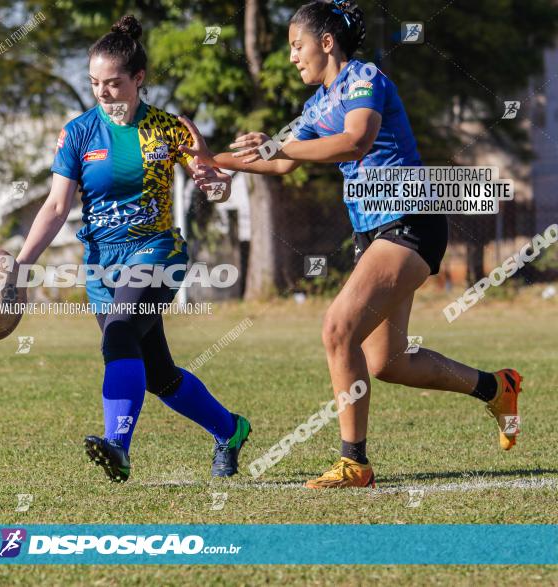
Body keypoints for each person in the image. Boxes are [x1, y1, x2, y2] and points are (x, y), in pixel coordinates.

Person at [178, 0, 523, 488]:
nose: (293, 57)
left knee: (338, 327)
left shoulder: (364, 79)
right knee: (388, 362)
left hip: (410, 219)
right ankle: (496, 386)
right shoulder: (317, 104)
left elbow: (356, 140)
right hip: (373, 233)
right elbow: (280, 163)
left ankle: (354, 462)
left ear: (326, 42)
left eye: (297, 46)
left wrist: (277, 146)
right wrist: (217, 161)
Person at [16, 14, 251, 483]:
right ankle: (230, 429)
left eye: (113, 82)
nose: (101, 92)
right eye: (94, 83)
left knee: (118, 335)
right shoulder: (78, 133)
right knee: (158, 374)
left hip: (157, 252)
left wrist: (215, 184)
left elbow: (214, 186)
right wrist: (20, 267)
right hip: (102, 267)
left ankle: (117, 447)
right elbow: (57, 205)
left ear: (138, 79)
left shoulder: (170, 129)